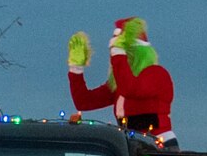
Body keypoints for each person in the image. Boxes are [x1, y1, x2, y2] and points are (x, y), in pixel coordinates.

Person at [67, 18, 177, 147]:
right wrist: (76, 68)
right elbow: (84, 102)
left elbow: (130, 89)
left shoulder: (158, 74)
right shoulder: (119, 83)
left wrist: (119, 54)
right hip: (131, 146)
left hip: (158, 146)